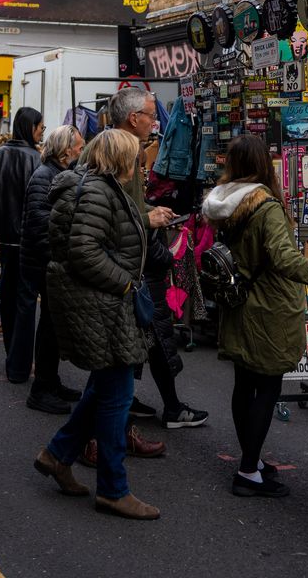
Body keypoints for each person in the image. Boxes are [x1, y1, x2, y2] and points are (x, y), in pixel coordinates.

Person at [202, 134, 308, 498]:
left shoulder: (223, 201)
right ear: (262, 164)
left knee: (245, 383)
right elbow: (286, 260)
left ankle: (251, 460)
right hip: (267, 306)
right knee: (268, 386)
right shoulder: (267, 206)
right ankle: (247, 471)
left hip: (238, 301)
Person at [35, 129, 160, 520]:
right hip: (102, 305)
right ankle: (112, 488)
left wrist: (144, 219)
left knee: (104, 388)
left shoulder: (97, 187)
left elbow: (102, 232)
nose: (139, 166)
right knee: (117, 397)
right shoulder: (97, 190)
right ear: (119, 158)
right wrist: (124, 281)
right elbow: (84, 251)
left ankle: (57, 455)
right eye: (135, 158)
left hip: (99, 303)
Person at [109, 87, 208, 430]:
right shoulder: (122, 153)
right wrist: (150, 227)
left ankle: (131, 410)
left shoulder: (125, 149)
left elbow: (128, 206)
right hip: (135, 270)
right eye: (151, 115)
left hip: (134, 267)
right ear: (134, 118)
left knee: (140, 343)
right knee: (148, 340)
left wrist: (150, 210)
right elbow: (116, 213)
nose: (155, 122)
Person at [13, 125, 85, 414]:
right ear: (66, 149)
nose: (81, 150)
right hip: (44, 264)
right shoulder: (45, 176)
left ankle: (50, 381)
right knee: (49, 329)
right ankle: (41, 389)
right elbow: (40, 225)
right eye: (79, 146)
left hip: (47, 262)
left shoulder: (54, 173)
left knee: (52, 327)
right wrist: (58, 258)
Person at [0, 107, 43, 364]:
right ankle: (19, 357)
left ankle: (11, 351)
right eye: (40, 127)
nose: (41, 132)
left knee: (8, 289)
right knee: (24, 295)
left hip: (2, 236)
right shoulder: (37, 159)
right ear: (30, 127)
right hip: (27, 238)